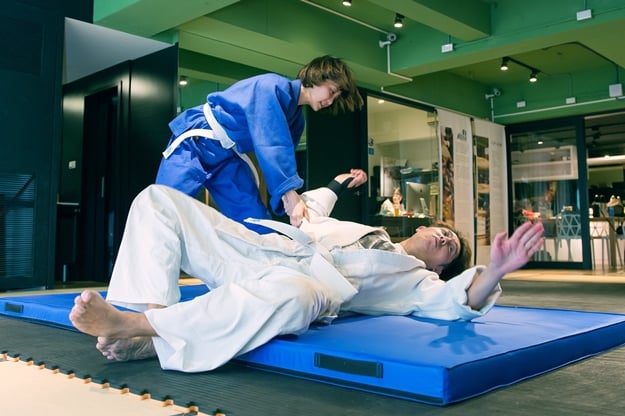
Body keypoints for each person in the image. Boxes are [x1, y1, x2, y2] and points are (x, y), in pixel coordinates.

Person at [69, 170, 544, 373]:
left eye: (451, 248)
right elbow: (313, 210)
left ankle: (138, 327)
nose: (444, 239)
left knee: (296, 298)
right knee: (157, 199)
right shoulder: (363, 228)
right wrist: (340, 180)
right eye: (443, 232)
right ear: (422, 227)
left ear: (441, 267)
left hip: (312, 286)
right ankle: (152, 321)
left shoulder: (416, 281)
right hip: (258, 250)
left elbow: (456, 302)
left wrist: (496, 269)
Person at [156, 55, 363, 232]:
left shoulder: (296, 121)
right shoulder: (270, 87)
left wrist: (291, 200)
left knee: (257, 223)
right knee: (166, 213)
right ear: (318, 77)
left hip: (227, 157)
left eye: (336, 97)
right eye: (332, 91)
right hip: (194, 144)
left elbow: (284, 159)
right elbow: (272, 144)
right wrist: (290, 194)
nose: (331, 100)